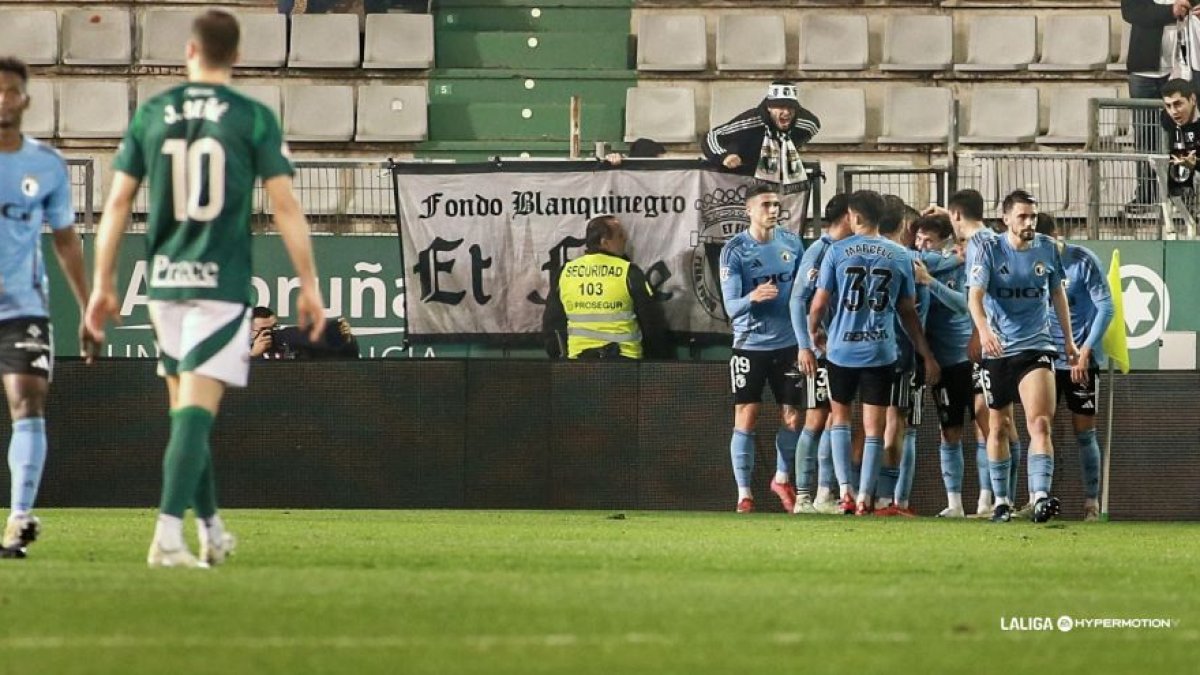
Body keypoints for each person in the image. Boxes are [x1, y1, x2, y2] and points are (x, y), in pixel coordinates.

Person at [85, 10, 326, 568]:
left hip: (165, 284)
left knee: (185, 412)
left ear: (190, 52)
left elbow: (117, 203)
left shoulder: (153, 112)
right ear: (235, 57)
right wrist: (308, 284)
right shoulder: (252, 117)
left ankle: (212, 530)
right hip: (219, 284)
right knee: (197, 411)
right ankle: (168, 536)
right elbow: (285, 205)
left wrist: (102, 283)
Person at [0, 57, 100, 559]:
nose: (3, 100)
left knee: (28, 399)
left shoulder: (45, 165)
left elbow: (65, 241)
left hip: (22, 306)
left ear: (25, 99)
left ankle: (18, 520)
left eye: (11, 91)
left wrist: (87, 308)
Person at [804, 190, 940, 516]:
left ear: (856, 217)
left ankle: (845, 491)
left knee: (840, 420)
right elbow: (908, 313)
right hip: (881, 350)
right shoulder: (900, 256)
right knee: (875, 428)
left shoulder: (836, 252)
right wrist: (926, 353)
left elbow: (819, 304)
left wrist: (813, 331)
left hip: (841, 350)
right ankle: (866, 496)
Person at [967, 190, 1078, 524]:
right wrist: (984, 331)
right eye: (1022, 216)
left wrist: (1069, 342)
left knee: (1040, 422)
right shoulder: (989, 248)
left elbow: (1057, 294)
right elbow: (975, 297)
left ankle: (1040, 497)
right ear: (1006, 219)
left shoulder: (1047, 248)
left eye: (1033, 215)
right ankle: (1001, 501)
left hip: (1037, 346)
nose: (1029, 222)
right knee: (997, 426)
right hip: (999, 349)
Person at [925, 189, 1024, 518]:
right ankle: (968, 502)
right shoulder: (982, 244)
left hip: (985, 350)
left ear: (956, 218)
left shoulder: (980, 246)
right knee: (966, 428)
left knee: (996, 424)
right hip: (962, 355)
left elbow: (969, 303)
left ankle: (996, 499)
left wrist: (978, 332)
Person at [719, 183, 805, 513]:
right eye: (766, 204)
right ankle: (744, 493)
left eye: (776, 205)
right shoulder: (735, 250)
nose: (773, 210)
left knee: (794, 415)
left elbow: (800, 292)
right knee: (747, 414)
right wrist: (752, 298)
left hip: (788, 344)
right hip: (749, 344)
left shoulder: (791, 242)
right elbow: (730, 307)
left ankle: (782, 478)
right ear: (749, 210)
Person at [1025, 213, 1114, 522]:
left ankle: (1091, 503)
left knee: (1084, 433)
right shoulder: (1029, 262)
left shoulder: (1081, 261)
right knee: (1038, 427)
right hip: (1042, 356)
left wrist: (1086, 350)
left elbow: (1106, 306)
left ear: (1054, 236)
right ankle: (1036, 497)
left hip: (1078, 360)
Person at [789, 193, 853, 514]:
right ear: (847, 216)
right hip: (820, 351)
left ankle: (824, 493)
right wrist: (805, 346)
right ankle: (802, 495)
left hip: (842, 350)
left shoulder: (848, 250)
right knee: (816, 419)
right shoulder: (819, 250)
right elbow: (797, 299)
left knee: (832, 419)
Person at [912, 214, 976, 518]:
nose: (922, 246)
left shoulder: (961, 265)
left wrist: (931, 281)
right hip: (942, 363)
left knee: (989, 429)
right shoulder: (922, 263)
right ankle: (955, 504)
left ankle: (992, 499)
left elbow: (962, 304)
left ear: (943, 242)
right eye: (919, 239)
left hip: (970, 358)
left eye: (929, 241)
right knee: (949, 432)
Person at [542, 215, 670, 360]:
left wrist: (560, 360)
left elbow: (552, 323)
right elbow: (651, 323)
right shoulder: (628, 272)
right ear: (604, 242)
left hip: (578, 364)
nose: (626, 239)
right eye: (620, 235)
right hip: (626, 363)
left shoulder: (565, 273)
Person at [1121, 1, 1200, 211]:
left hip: (1182, 69)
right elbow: (1130, 11)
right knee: (1145, 135)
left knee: (1184, 136)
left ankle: (1184, 196)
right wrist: (1170, 11)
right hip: (1145, 71)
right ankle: (1146, 196)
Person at [703, 81, 820, 192]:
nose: (786, 112)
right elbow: (711, 137)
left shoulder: (806, 124)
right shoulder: (750, 122)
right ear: (769, 108)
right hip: (741, 179)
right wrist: (724, 156)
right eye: (780, 107)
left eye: (791, 107)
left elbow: (813, 127)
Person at [251, 306, 359, 360]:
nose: (271, 334)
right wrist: (253, 355)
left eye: (274, 328)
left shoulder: (290, 343)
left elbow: (345, 357)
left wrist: (346, 339)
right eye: (264, 330)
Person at [1160, 78, 1200, 207]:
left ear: (1192, 99)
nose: (1173, 111)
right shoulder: (1167, 118)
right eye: (1168, 106)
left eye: (1178, 104)